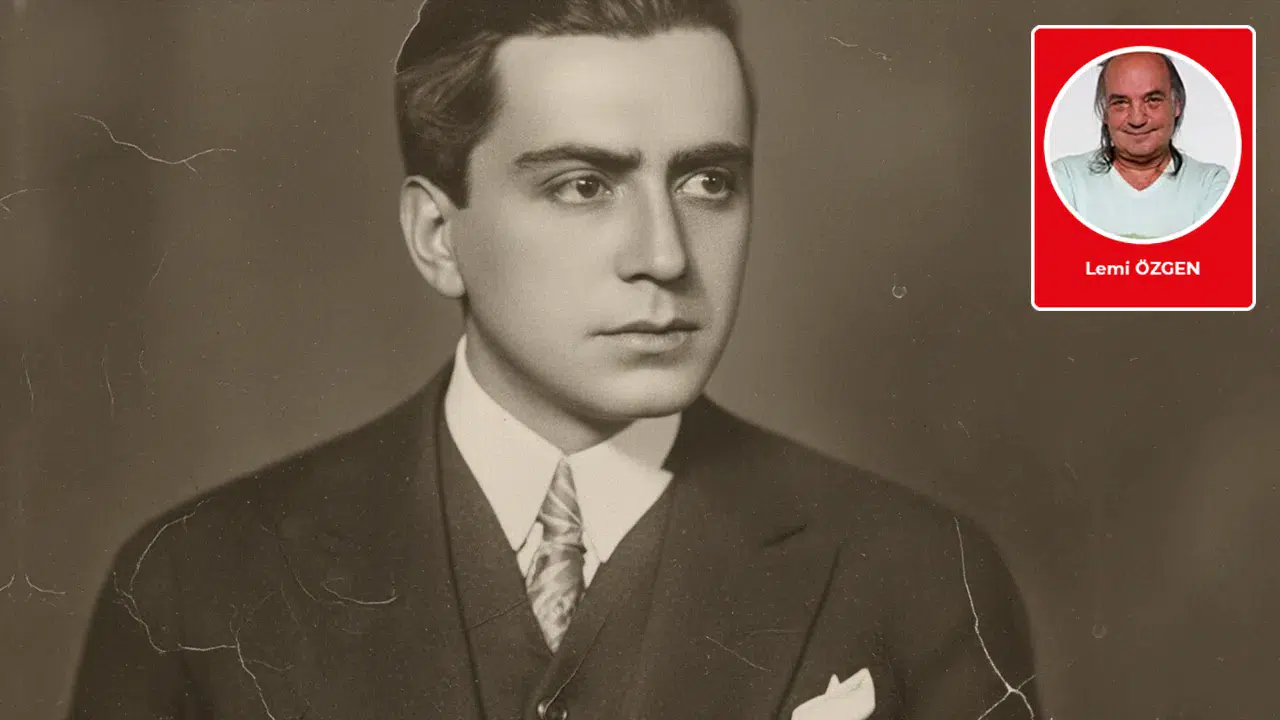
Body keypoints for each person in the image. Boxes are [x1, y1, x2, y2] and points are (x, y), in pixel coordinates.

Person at [67, 1, 1042, 718]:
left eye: (708, 181)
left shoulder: (921, 575)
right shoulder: (195, 582)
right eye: (583, 185)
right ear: (436, 236)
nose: (663, 255)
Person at [1052, 51, 1231, 241]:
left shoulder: (1211, 184)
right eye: (1120, 103)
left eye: (1152, 100)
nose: (1137, 119)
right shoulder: (1065, 179)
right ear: (1105, 112)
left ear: (1176, 105)